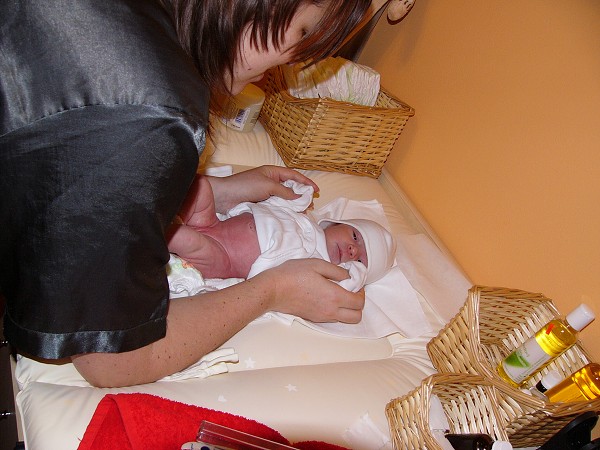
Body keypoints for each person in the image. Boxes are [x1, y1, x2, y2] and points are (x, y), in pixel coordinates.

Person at [0, 0, 371, 388]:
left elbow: (73, 163)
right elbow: (112, 361)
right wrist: (273, 290)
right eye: (303, 33)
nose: (289, 62)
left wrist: (210, 190)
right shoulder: (155, 117)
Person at [167, 176, 397, 284]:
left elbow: (349, 284)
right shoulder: (302, 218)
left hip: (222, 257)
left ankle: (154, 231)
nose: (353, 250)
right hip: (214, 224)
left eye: (360, 260)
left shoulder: (319, 268)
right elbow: (281, 199)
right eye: (355, 236)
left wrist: (355, 274)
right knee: (201, 186)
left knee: (184, 238)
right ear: (337, 223)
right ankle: (169, 214)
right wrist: (298, 194)